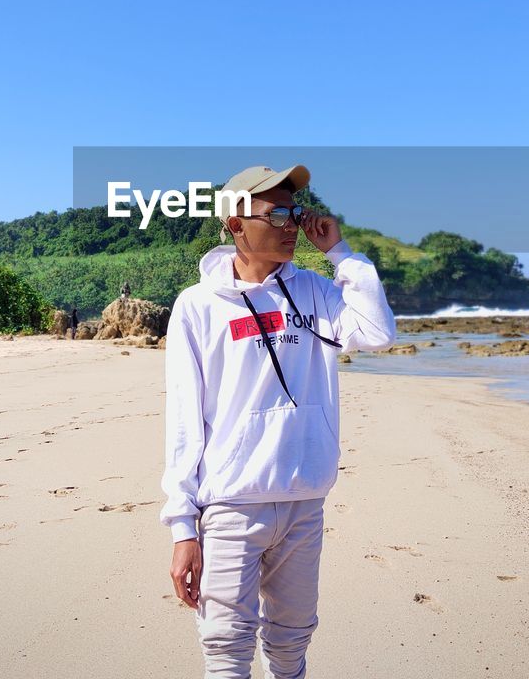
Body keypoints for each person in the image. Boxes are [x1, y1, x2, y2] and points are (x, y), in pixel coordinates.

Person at [161, 163, 396, 679]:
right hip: (229, 504)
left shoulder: (315, 291)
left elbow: (376, 332)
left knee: (292, 643)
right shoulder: (197, 306)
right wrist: (183, 528)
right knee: (225, 648)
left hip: (303, 499)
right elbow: (184, 421)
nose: (292, 224)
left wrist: (341, 254)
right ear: (234, 223)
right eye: (278, 213)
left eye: (297, 212)